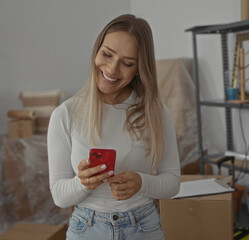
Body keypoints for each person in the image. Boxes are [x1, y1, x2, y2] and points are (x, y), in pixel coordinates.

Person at [47, 14, 181, 240]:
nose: (111, 69)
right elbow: (59, 196)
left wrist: (141, 183)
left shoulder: (156, 113)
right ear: (96, 51)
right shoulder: (65, 114)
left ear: (139, 68)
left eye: (127, 63)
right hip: (87, 229)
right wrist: (83, 183)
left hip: (143, 227)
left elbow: (173, 183)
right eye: (107, 54)